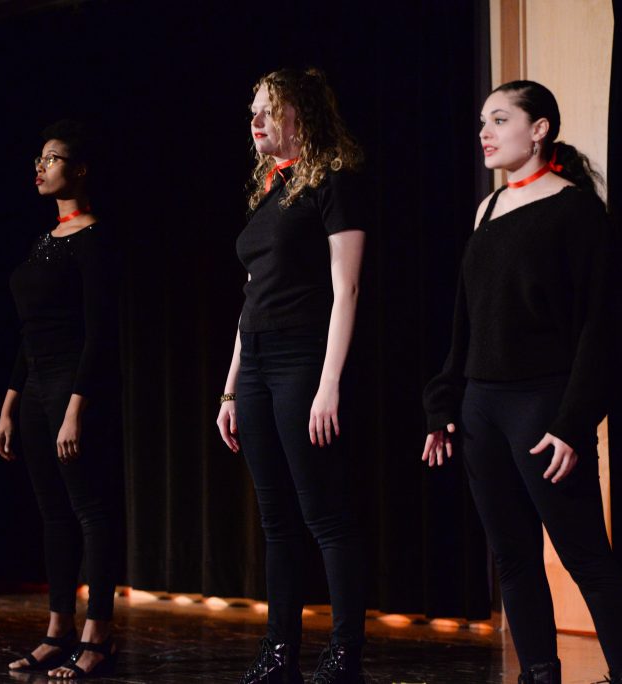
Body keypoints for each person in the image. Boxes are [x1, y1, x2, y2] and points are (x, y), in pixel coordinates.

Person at [421, 81, 622, 684]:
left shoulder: (577, 210)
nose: (485, 133)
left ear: (540, 128)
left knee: (584, 554)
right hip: (481, 408)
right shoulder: (488, 208)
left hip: (543, 405)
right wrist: (444, 403)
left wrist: (573, 422)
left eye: (500, 119)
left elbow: (601, 328)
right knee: (513, 557)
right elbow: (466, 322)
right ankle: (540, 675)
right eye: (483, 121)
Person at [216, 68, 367, 684]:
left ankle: (345, 654)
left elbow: (346, 289)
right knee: (275, 520)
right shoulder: (268, 192)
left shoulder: (333, 182)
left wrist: (330, 382)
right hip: (255, 362)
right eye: (253, 110)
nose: (256, 120)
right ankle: (280, 653)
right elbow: (251, 297)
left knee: (324, 515)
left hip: (303, 358)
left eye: (269, 109)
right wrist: (231, 386)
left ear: (300, 115)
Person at [0, 119, 122, 679]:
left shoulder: (95, 241)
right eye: (39, 159)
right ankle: (58, 630)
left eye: (52, 158)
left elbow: (100, 335)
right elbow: (29, 335)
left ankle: (98, 636)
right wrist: (8, 405)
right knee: (53, 516)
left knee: (91, 512)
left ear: (80, 169)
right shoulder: (44, 241)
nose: (41, 167)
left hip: (75, 390)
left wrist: (75, 409)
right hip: (36, 392)